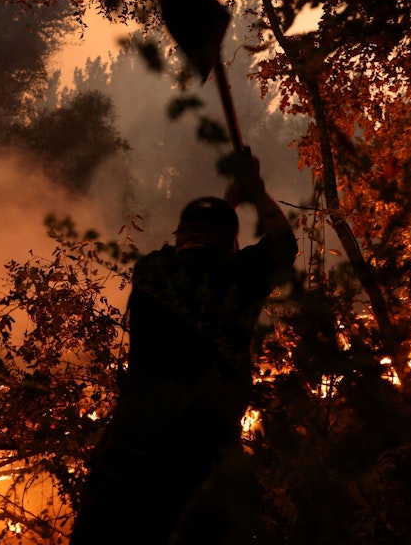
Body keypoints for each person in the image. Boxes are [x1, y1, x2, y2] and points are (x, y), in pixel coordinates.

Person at [69, 148, 298, 545]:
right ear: (230, 244)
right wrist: (255, 192)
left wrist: (226, 205)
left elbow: (193, 252)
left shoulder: (151, 273)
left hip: (126, 457)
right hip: (201, 462)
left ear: (179, 237)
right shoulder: (236, 277)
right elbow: (283, 245)